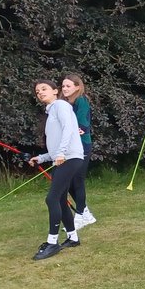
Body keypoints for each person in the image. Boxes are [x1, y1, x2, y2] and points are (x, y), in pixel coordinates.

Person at [28, 79, 85, 261]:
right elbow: (56, 142)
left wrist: (60, 153)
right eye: (37, 91)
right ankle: (73, 238)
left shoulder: (60, 105)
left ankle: (52, 242)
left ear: (55, 91)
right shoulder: (51, 112)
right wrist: (43, 157)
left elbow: (70, 129)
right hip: (62, 158)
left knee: (51, 198)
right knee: (60, 199)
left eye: (44, 89)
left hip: (69, 158)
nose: (40, 93)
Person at [61, 74, 97, 229]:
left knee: (77, 181)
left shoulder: (81, 101)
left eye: (68, 86)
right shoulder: (63, 104)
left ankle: (80, 216)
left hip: (82, 146)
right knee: (68, 184)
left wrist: (76, 130)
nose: (65, 88)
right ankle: (86, 213)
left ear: (77, 87)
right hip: (69, 147)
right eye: (63, 86)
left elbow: (82, 124)